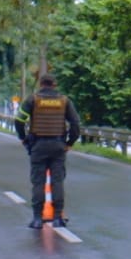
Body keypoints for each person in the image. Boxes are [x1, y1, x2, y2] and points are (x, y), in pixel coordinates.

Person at [14, 72, 82, 230]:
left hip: (38, 145)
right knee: (57, 181)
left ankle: (38, 219)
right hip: (58, 145)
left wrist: (23, 138)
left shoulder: (32, 99)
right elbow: (75, 124)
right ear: (54, 85)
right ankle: (58, 218)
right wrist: (69, 143)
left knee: (38, 181)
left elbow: (19, 120)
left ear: (40, 84)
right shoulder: (64, 101)